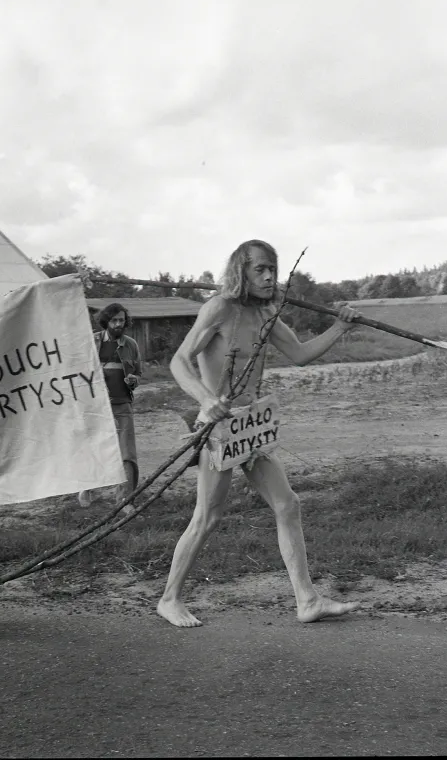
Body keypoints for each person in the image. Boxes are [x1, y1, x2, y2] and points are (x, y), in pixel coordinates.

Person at [156, 240, 361, 628]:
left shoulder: (267, 313)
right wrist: (204, 397)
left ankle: (308, 600)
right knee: (208, 516)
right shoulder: (219, 309)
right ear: (241, 272)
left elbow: (299, 354)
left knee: (288, 505)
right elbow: (179, 361)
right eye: (260, 270)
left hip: (252, 425)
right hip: (218, 426)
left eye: (273, 269)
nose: (269, 277)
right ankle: (169, 599)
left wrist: (339, 327)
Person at [78, 302, 142, 515]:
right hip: (96, 406)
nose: (118, 324)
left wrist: (134, 380)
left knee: (127, 454)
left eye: (121, 320)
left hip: (122, 404)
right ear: (106, 320)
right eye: (114, 320)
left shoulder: (131, 344)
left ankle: (125, 499)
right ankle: (88, 489)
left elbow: (138, 374)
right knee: (93, 449)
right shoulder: (93, 341)